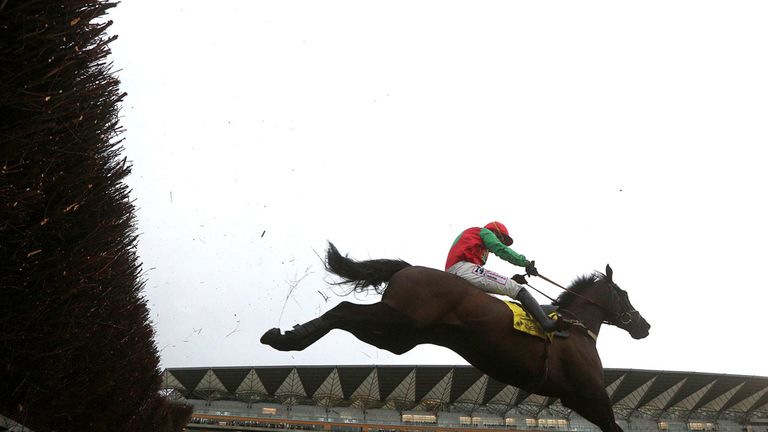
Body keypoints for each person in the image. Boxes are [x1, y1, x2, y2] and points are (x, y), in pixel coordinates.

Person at [445, 221, 569, 333]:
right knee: (518, 289)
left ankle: (535, 311)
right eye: (502, 239)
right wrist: (525, 263)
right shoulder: (485, 232)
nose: (503, 242)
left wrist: (511, 280)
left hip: (458, 271)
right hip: (462, 268)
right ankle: (545, 323)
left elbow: (483, 278)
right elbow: (501, 250)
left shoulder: (476, 241)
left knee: (497, 305)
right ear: (495, 232)